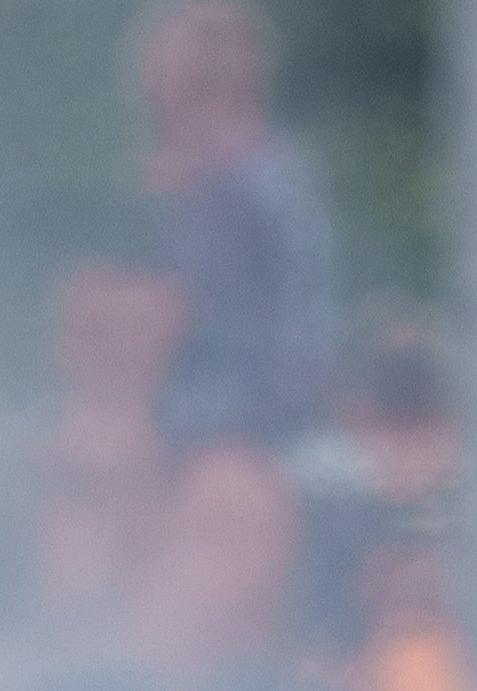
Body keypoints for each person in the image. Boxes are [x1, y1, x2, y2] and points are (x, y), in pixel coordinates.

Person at [129, 0, 333, 459]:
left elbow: (193, 312)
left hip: (244, 417)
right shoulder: (271, 169)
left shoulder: (236, 181)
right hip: (257, 402)